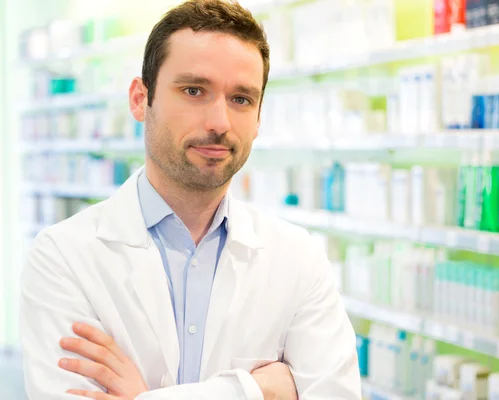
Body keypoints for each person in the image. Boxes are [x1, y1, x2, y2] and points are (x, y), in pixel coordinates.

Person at [19, 1, 361, 399]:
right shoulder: (62, 257)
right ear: (139, 99)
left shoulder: (298, 258)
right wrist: (256, 391)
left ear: (259, 117)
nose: (219, 122)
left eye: (241, 99)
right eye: (194, 90)